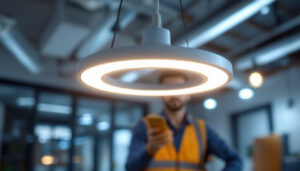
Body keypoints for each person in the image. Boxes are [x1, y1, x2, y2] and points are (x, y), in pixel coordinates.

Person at [126, 71, 242, 171]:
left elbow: (235, 160)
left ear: (188, 94)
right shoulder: (145, 126)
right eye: (168, 87)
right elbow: (130, 167)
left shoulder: (202, 129)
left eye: (180, 87)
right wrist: (150, 149)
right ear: (160, 94)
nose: (174, 92)